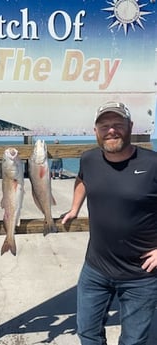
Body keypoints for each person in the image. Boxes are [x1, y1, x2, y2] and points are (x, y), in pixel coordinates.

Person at [62, 101, 157, 345]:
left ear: (130, 127)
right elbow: (83, 179)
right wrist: (75, 208)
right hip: (95, 269)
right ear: (96, 131)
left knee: (134, 341)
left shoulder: (152, 163)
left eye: (118, 124)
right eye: (104, 125)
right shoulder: (89, 159)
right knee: (88, 334)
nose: (111, 130)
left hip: (141, 276)